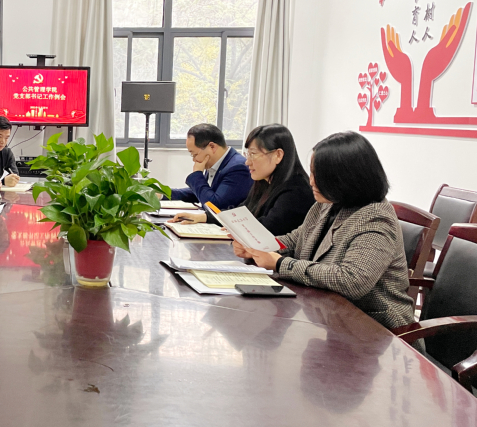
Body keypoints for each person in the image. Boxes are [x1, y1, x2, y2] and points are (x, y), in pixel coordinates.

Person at [232, 131, 415, 330]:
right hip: (328, 314)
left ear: (347, 178)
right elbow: (295, 239)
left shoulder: (375, 218)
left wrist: (281, 263)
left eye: (320, 176)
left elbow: (352, 280)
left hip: (376, 329)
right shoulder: (327, 203)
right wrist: (257, 246)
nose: (311, 181)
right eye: (312, 173)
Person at [170, 124, 315, 235]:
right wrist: (204, 217)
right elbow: (241, 212)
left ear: (278, 155)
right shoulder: (265, 182)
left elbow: (266, 229)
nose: (247, 162)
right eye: (247, 154)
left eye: (253, 154)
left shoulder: (296, 191)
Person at [168, 123, 253, 209]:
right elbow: (202, 192)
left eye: (195, 154)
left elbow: (214, 206)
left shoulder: (237, 168)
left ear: (212, 147)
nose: (194, 160)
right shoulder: (216, 162)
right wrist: (164, 194)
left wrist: (197, 174)